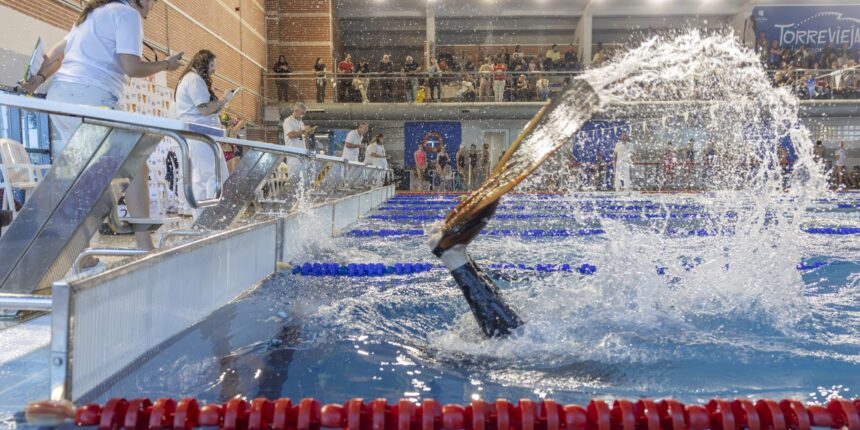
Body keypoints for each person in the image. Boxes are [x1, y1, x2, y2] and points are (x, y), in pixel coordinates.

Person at [17, 0, 183, 258]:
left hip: (60, 99)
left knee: (82, 177)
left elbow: (55, 54)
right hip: (93, 98)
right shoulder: (128, 14)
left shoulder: (89, 16)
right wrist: (166, 65)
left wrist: (37, 80)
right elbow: (132, 67)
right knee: (136, 164)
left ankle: (82, 256)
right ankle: (144, 246)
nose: (153, 7)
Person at [174, 49, 233, 217]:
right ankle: (207, 217)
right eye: (212, 65)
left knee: (206, 176)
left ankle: (205, 216)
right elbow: (204, 109)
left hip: (202, 136)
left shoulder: (193, 79)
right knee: (209, 176)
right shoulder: (193, 79)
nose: (214, 70)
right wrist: (224, 99)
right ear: (204, 63)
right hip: (199, 136)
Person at [282, 102, 314, 176]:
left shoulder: (300, 122)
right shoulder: (288, 121)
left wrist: (309, 132)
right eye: (301, 113)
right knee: (294, 178)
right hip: (293, 154)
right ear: (296, 111)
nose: (302, 115)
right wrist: (303, 131)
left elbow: (302, 136)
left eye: (304, 114)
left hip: (301, 153)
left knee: (301, 179)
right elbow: (290, 135)